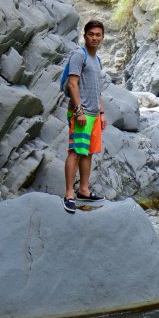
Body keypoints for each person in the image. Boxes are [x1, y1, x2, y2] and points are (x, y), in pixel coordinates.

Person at [63, 19, 106, 212]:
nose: (94, 38)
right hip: (81, 113)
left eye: (98, 35)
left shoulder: (97, 60)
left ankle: (84, 190)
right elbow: (72, 84)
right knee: (75, 152)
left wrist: (101, 113)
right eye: (91, 34)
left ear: (102, 37)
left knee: (88, 152)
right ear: (85, 36)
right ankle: (69, 194)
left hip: (94, 115)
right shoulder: (78, 56)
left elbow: (97, 88)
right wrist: (79, 110)